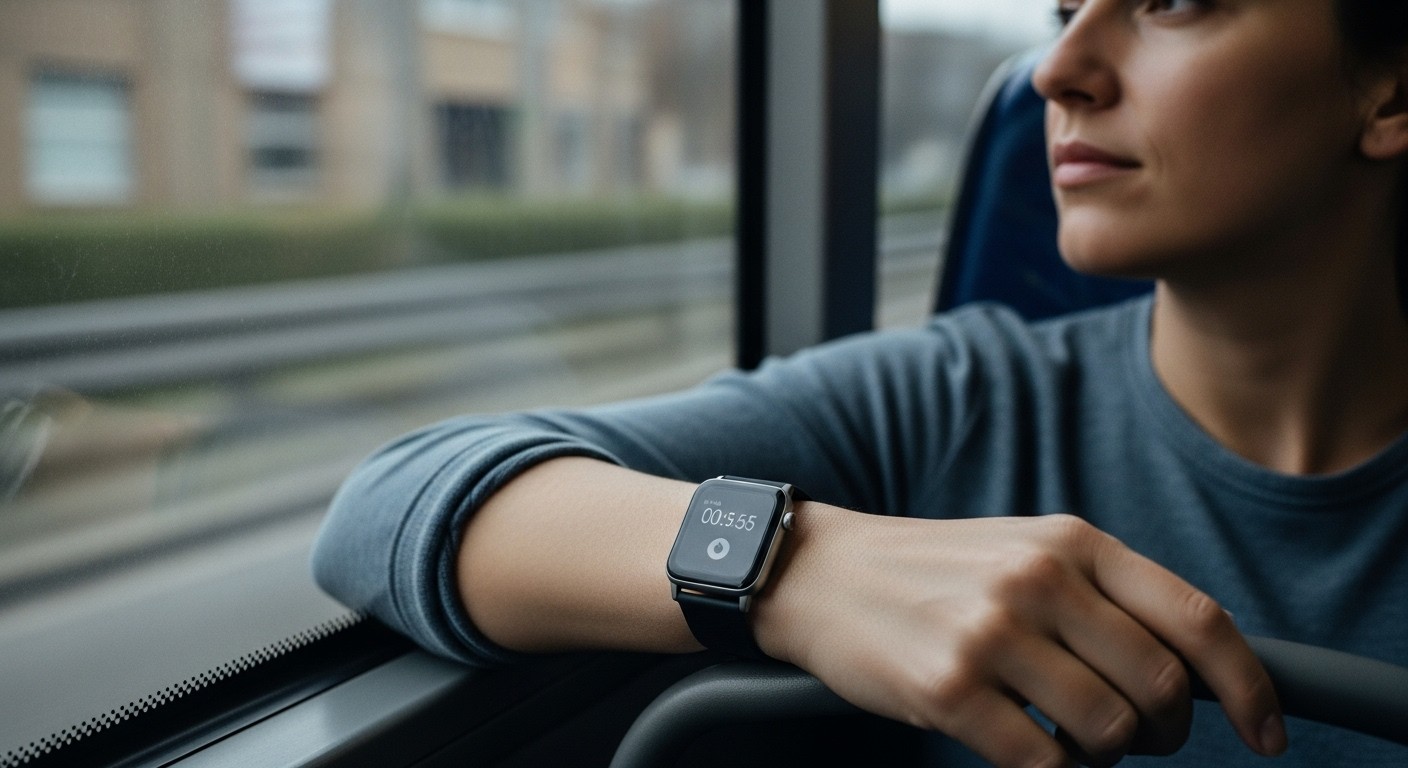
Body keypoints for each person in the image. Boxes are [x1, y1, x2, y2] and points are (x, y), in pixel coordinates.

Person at [311, 0, 1408, 765]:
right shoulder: (959, 400)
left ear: (1387, 89)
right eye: (1062, 7)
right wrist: (805, 568)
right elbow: (394, 501)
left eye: (1171, 1)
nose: (1056, 71)